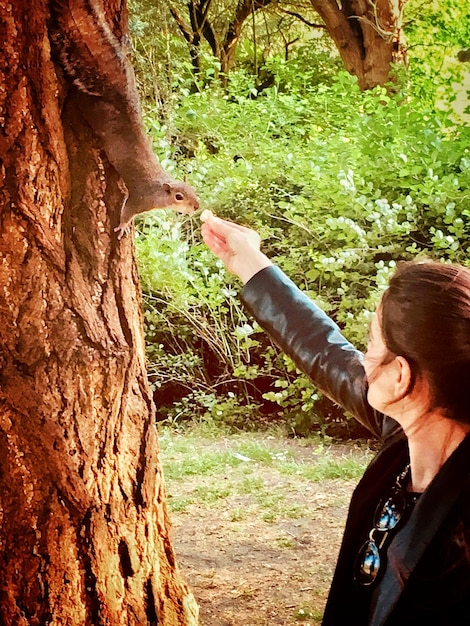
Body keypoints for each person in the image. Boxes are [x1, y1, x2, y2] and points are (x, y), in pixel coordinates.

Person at [200, 211, 470, 625]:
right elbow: (325, 352)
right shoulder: (407, 434)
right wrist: (251, 263)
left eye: (371, 342)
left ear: (400, 377)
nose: (361, 357)